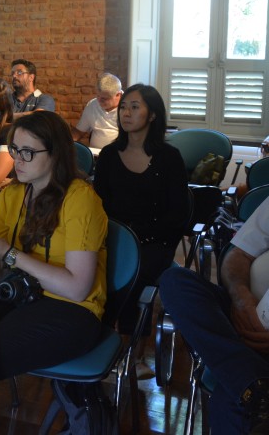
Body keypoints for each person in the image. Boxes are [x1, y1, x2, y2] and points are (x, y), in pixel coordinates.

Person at [0, 111, 108, 434]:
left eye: (28, 152)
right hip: (20, 291)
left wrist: (10, 253)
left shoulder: (80, 199)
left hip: (72, 309)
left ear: (55, 153)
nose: (17, 159)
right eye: (14, 150)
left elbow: (77, 289)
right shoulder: (13, 194)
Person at [93, 83, 189, 377]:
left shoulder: (169, 158)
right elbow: (99, 205)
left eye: (135, 107)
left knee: (134, 274)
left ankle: (132, 350)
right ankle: (99, 341)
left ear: (152, 115)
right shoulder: (110, 155)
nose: (126, 112)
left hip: (154, 241)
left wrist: (141, 238)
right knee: (92, 267)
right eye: (124, 107)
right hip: (115, 237)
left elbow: (179, 215)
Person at [160, 196, 269, 435]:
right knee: (175, 281)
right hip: (245, 314)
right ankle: (251, 379)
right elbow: (237, 256)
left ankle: (250, 383)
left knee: (230, 402)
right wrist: (240, 297)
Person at [71, 72, 122, 149]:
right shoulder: (93, 104)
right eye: (98, 96)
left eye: (104, 98)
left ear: (118, 95)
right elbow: (79, 132)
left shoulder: (128, 108)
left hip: (119, 156)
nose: (99, 101)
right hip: (95, 155)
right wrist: (67, 144)